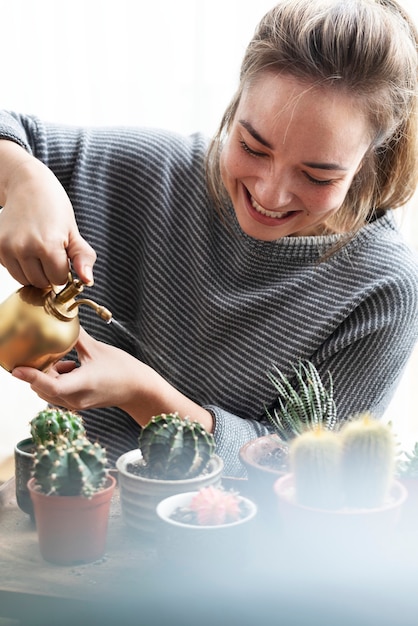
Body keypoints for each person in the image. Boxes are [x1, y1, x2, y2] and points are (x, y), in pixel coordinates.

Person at [0, 0, 417, 477]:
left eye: (318, 175)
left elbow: (309, 480)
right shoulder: (156, 173)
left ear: (368, 159)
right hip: (73, 514)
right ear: (235, 103)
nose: (269, 193)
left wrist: (145, 396)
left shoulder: (382, 288)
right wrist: (23, 177)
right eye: (252, 147)